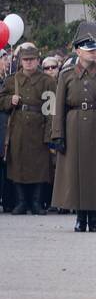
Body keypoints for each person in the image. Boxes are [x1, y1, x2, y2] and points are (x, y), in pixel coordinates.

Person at [49, 36, 96, 232]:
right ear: (78, 52)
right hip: (72, 123)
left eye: (94, 50)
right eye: (88, 50)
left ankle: (94, 217)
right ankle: (80, 217)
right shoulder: (66, 75)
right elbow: (59, 107)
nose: (92, 53)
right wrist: (58, 134)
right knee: (74, 172)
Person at [1, 42, 56, 214]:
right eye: (25, 60)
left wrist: (49, 135)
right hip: (18, 128)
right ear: (21, 61)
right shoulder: (12, 80)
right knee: (17, 165)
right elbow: (1, 100)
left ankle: (36, 202)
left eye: (32, 59)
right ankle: (21, 202)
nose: (29, 63)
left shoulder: (47, 81)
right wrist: (10, 100)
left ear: (38, 61)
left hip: (39, 127)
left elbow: (51, 110)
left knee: (39, 167)